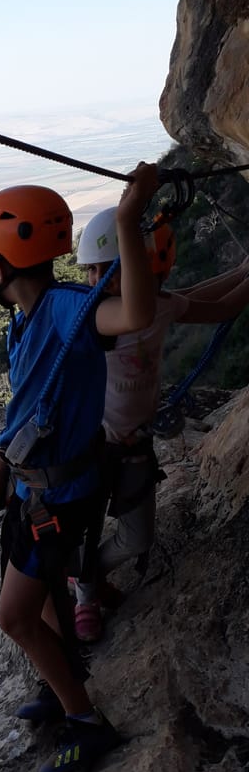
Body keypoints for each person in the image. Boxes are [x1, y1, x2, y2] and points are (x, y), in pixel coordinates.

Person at [0, 162, 159, 772]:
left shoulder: (68, 310)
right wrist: (2, 472)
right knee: (45, 603)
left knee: (14, 617)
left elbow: (131, 314)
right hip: (34, 490)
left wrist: (130, 221)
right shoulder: (22, 323)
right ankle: (59, 690)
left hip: (65, 495)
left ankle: (86, 721)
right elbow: (26, 401)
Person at [71, 207, 249, 642]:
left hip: (132, 446)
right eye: (91, 271)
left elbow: (213, 302)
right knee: (80, 532)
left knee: (137, 538)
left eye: (107, 270)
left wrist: (244, 271)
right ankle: (84, 593)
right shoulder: (92, 318)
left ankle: (85, 576)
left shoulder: (158, 306)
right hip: (92, 447)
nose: (96, 281)